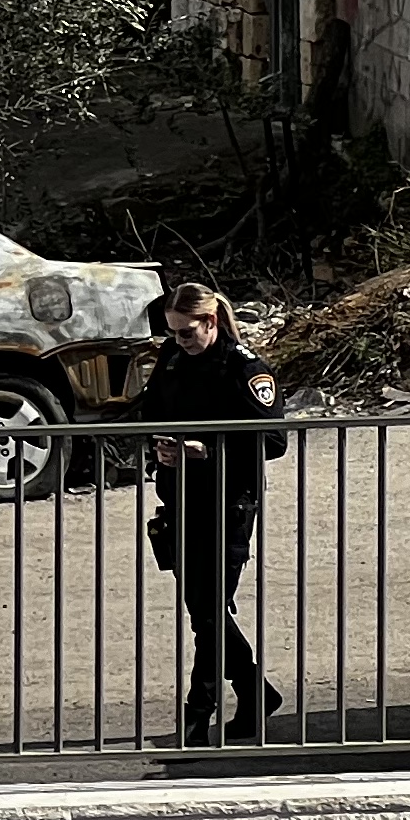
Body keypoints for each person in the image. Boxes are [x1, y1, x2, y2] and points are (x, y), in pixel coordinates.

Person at [137, 280, 288, 744]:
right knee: (203, 608)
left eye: (186, 332)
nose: (178, 340)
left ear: (211, 322)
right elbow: (149, 411)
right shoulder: (173, 358)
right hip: (181, 498)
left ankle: (197, 713)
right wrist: (155, 446)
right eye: (172, 332)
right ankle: (253, 690)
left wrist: (208, 449)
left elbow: (272, 440)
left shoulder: (243, 369)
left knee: (207, 610)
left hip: (227, 502)